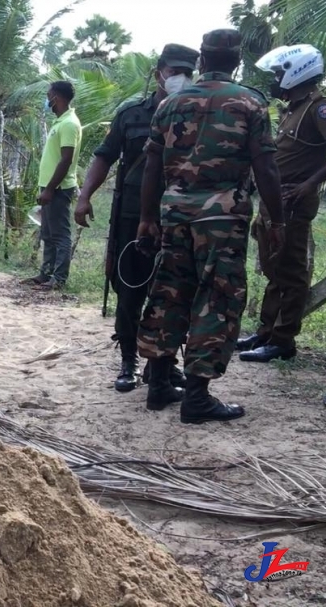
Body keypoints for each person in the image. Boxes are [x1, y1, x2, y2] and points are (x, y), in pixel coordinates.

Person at [136, 28, 285, 423]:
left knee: (170, 293)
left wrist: (148, 217)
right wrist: (278, 218)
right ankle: (197, 397)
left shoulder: (170, 103)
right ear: (236, 61)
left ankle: (159, 385)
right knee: (217, 299)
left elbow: (151, 163)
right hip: (222, 219)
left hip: (174, 215)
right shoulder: (250, 102)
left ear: (202, 58)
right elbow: (265, 164)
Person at [76, 44, 199, 394]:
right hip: (132, 216)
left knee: (175, 294)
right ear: (159, 71)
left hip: (180, 217)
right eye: (176, 71)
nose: (181, 79)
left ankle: (161, 364)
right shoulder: (131, 114)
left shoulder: (198, 114)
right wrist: (84, 197)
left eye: (188, 73)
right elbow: (104, 156)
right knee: (129, 289)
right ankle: (128, 358)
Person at [237, 44, 326, 363]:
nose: (276, 79)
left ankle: (283, 340)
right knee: (273, 268)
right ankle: (266, 332)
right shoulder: (292, 107)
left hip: (293, 203)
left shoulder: (321, 109)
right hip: (274, 202)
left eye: (279, 73)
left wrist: (309, 184)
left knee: (291, 272)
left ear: (297, 71)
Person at [27, 81, 82, 291]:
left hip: (58, 188)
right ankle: (45, 273)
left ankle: (59, 279)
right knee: (47, 233)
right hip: (49, 186)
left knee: (60, 234)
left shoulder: (69, 124)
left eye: (49, 95)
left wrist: (50, 188)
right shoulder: (61, 122)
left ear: (56, 97)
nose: (47, 98)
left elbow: (66, 159)